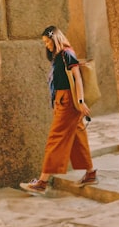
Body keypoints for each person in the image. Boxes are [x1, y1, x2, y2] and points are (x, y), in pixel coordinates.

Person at [19, 25, 97, 195]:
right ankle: (90, 173)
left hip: (69, 102)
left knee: (55, 139)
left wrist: (81, 101)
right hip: (64, 100)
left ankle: (42, 182)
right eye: (45, 42)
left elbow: (77, 78)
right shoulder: (59, 55)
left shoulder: (67, 54)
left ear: (55, 38)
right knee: (77, 136)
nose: (46, 45)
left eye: (47, 41)